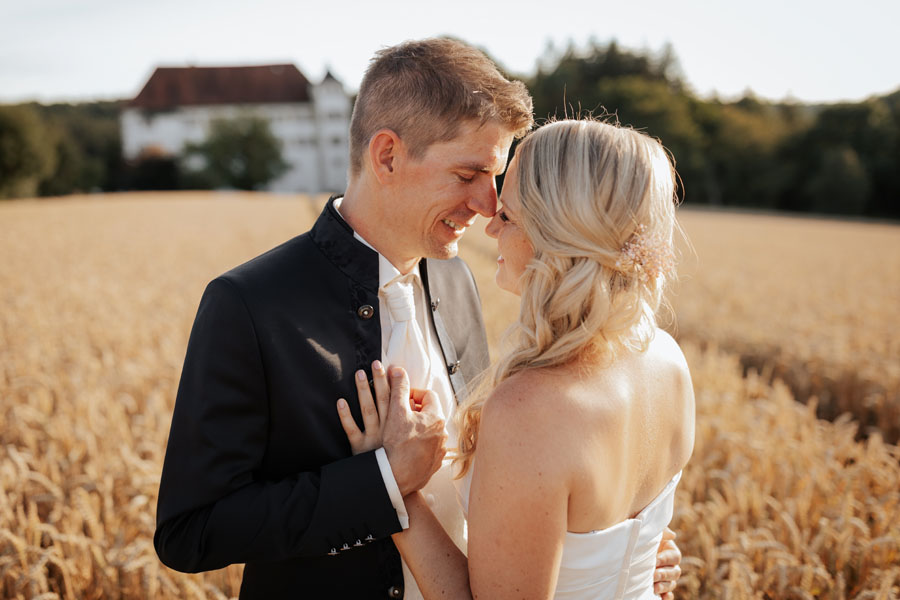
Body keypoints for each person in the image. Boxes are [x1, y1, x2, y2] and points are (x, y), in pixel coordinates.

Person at [155, 38, 682, 599]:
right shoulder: (250, 305)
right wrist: (381, 483)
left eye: (496, 177)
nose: (487, 206)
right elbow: (191, 532)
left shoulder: (458, 281)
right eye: (467, 175)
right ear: (387, 156)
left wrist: (610, 551)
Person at [337, 118, 695, 599]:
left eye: (507, 216)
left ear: (556, 235)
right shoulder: (669, 361)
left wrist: (392, 483)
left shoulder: (531, 411)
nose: (489, 226)